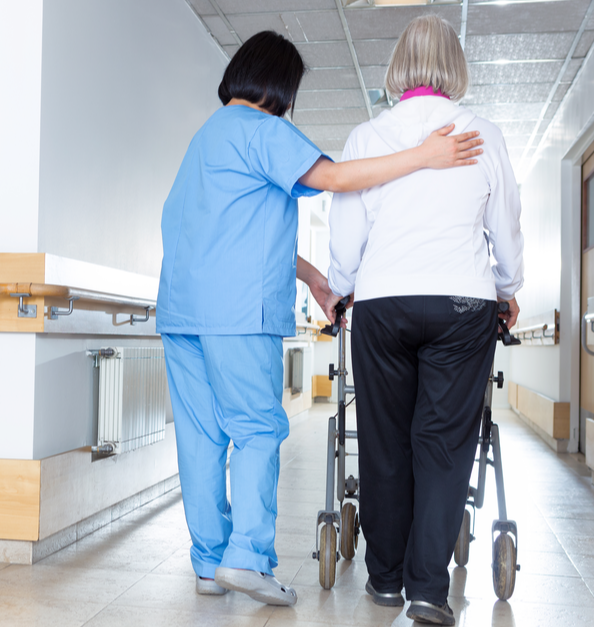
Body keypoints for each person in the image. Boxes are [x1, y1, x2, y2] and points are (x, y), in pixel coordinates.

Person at [156, 29, 485, 607]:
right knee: (257, 429)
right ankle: (247, 561)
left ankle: (209, 562)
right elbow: (334, 178)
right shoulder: (263, 130)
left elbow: (227, 234)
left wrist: (312, 278)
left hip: (182, 311)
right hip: (237, 314)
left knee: (201, 438)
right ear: (281, 85)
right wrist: (425, 156)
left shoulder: (204, 140)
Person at [326, 15, 524, 626]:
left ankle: (384, 580)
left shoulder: (367, 135)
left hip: (383, 304)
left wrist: (339, 291)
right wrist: (508, 289)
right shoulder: (484, 133)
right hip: (463, 303)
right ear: (456, 67)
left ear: (397, 69)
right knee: (442, 445)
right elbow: (506, 228)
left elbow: (345, 238)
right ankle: (428, 592)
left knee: (385, 440)